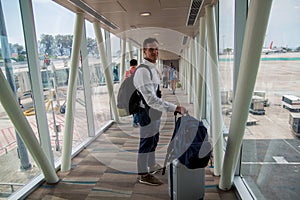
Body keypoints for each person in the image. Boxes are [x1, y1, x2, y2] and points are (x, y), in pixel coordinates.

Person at [133, 38, 187, 186]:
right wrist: (174, 107)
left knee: (154, 139)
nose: (155, 52)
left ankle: (151, 164)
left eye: (156, 49)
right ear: (144, 51)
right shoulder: (143, 71)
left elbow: (155, 94)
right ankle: (143, 174)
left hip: (154, 112)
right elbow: (150, 99)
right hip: (146, 112)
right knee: (146, 142)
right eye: (151, 49)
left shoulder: (152, 68)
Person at [125, 59, 139, 127]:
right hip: (137, 91)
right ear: (136, 64)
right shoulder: (138, 71)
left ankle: (135, 120)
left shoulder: (128, 72)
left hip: (130, 92)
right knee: (138, 106)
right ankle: (135, 121)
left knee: (133, 106)